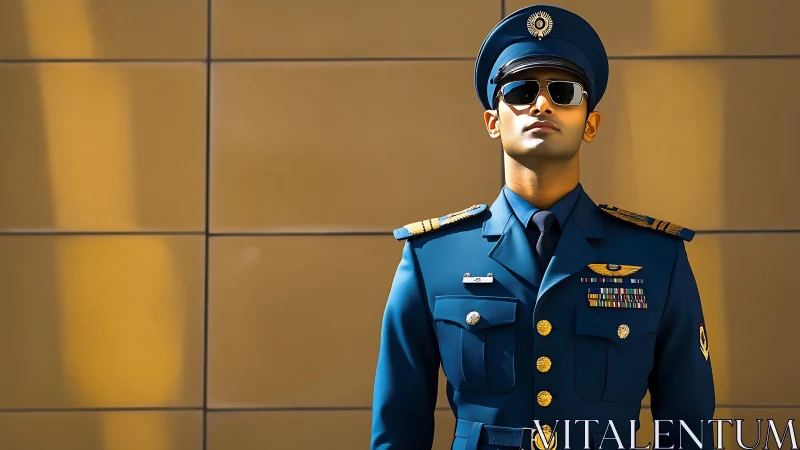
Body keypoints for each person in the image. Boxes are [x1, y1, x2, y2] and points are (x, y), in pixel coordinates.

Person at [370, 4, 715, 450]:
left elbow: (689, 427)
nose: (542, 103)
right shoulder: (432, 257)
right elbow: (399, 427)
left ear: (590, 124)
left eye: (565, 92)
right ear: (493, 122)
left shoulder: (656, 258)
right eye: (520, 90)